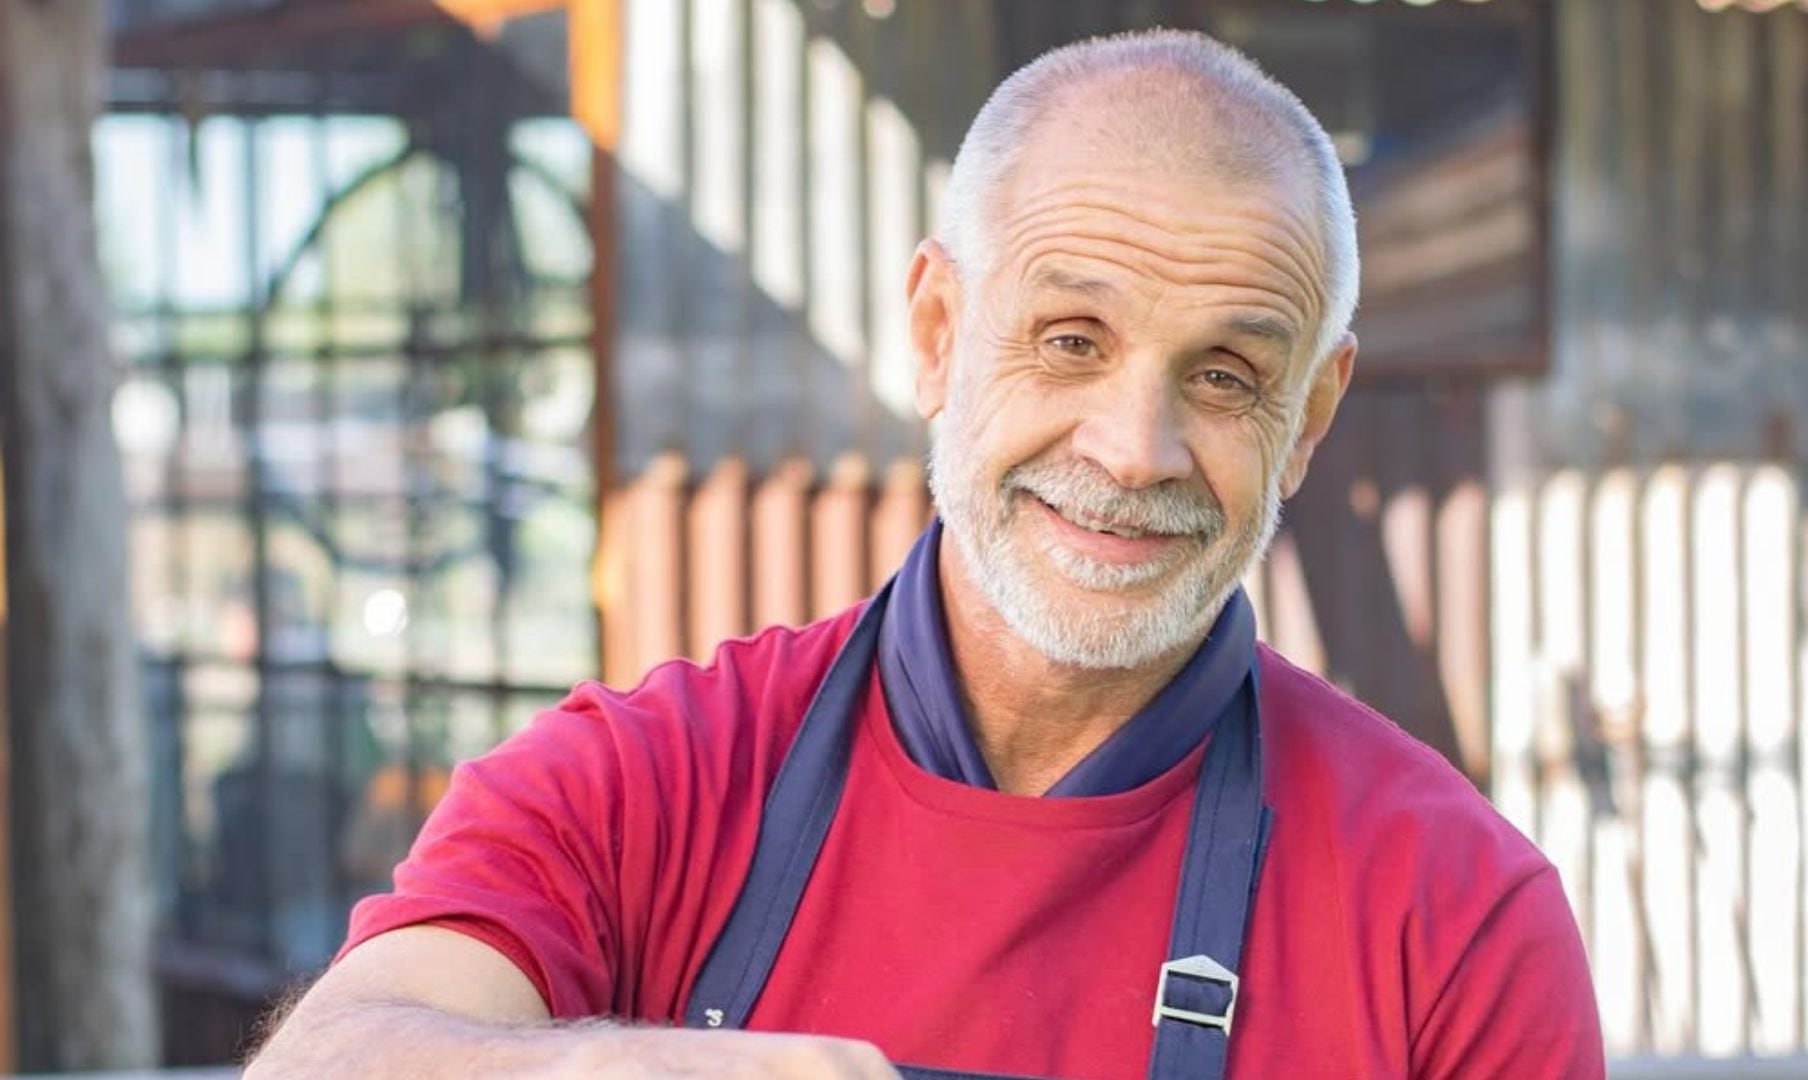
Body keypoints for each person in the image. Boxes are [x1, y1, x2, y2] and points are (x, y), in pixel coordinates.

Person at [247, 29, 1603, 1080]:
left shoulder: (1458, 923)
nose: (1134, 450)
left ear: (1309, 418)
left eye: (1229, 376)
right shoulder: (650, 779)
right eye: (1071, 339)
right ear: (942, 330)